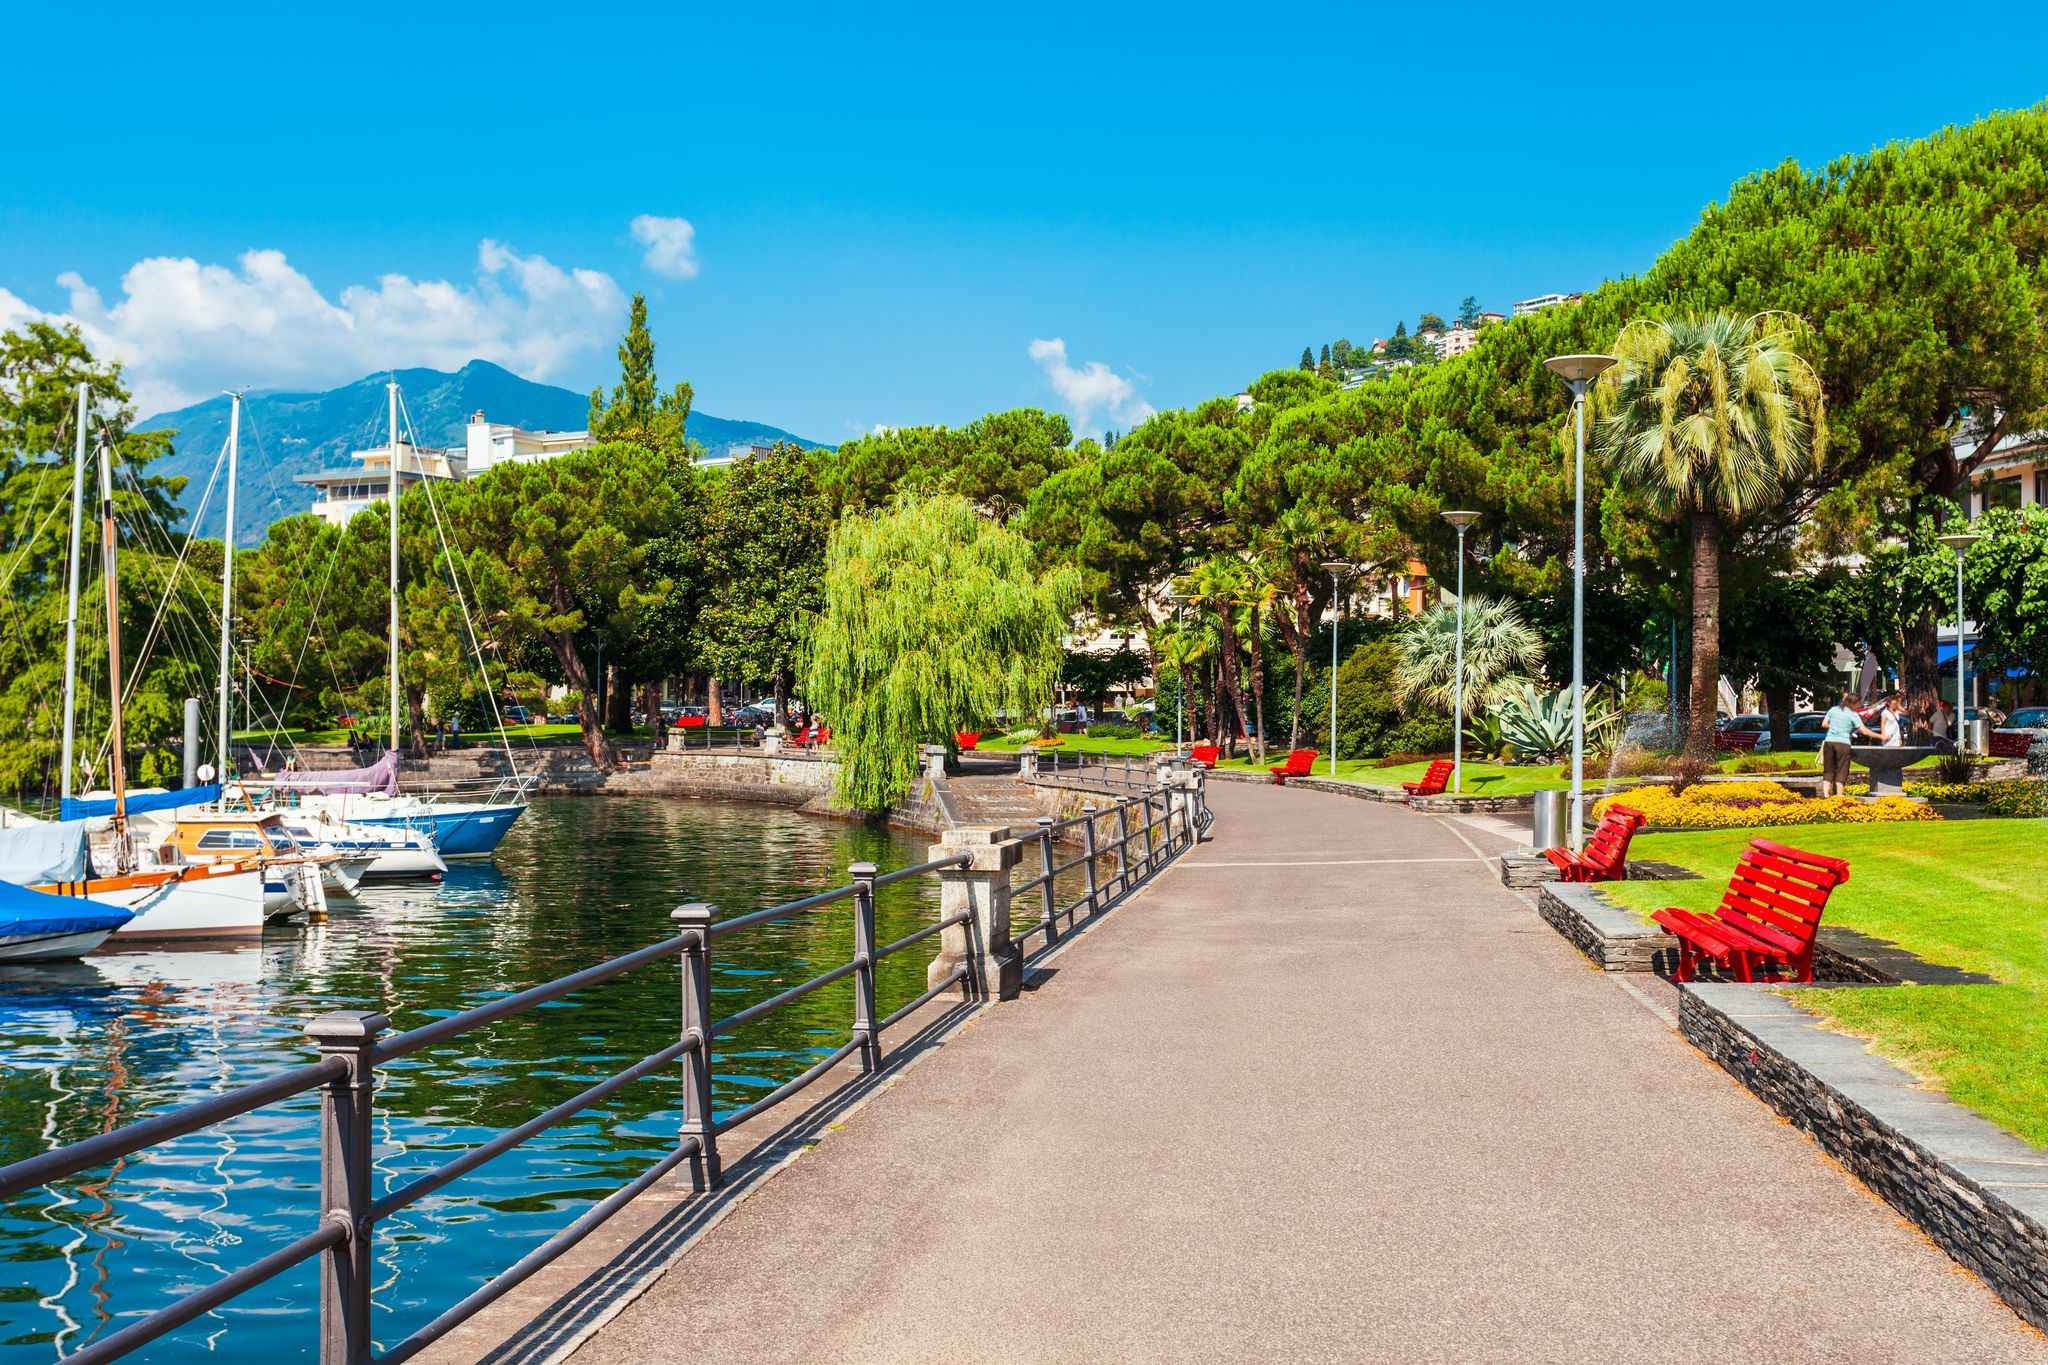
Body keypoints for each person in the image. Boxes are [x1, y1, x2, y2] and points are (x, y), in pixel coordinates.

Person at [1820, 690, 1862, 797]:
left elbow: (1824, 724)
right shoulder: (1852, 713)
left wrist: (1835, 726)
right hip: (1843, 743)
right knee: (1842, 769)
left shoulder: (1833, 710)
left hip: (1829, 741)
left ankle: (1825, 795)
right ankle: (1839, 796)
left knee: (1828, 769)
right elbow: (1861, 729)